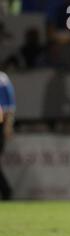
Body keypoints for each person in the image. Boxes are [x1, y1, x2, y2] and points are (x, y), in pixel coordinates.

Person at [0, 71, 15, 200]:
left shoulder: (2, 79)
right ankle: (6, 190)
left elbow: (9, 107)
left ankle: (7, 190)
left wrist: (8, 126)